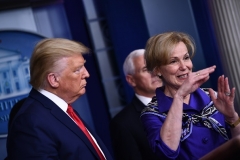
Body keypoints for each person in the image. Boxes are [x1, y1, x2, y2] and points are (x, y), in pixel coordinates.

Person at [6, 38, 113, 160]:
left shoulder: (63, 110)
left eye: (84, 66)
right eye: (78, 70)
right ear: (54, 79)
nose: (87, 74)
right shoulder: (30, 122)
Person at [140, 31, 240, 160]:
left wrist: (232, 117)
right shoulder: (152, 113)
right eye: (173, 61)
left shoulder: (212, 97)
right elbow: (166, 152)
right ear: (157, 70)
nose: (184, 66)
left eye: (186, 58)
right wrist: (180, 95)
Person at [110, 49, 163, 160]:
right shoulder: (123, 124)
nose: (154, 73)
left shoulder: (181, 102)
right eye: (145, 69)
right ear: (131, 80)